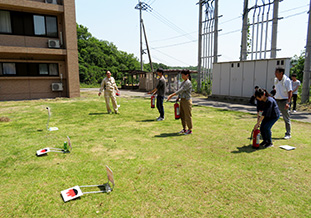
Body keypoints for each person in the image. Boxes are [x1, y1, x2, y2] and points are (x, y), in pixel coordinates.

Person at [167, 70, 193, 135]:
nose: (182, 77)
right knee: (182, 115)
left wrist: (171, 95)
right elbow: (181, 92)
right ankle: (184, 129)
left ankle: (189, 129)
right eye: (181, 75)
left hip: (187, 101)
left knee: (187, 115)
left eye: (183, 75)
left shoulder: (188, 82)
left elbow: (181, 90)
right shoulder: (183, 82)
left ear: (187, 75)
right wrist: (178, 97)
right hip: (182, 100)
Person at [274, 67, 292, 139]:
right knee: (271, 115)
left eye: (276, 72)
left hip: (284, 101)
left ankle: (288, 133)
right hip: (276, 100)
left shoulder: (287, 80)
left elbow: (290, 92)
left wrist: (288, 102)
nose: (275, 74)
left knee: (286, 118)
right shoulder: (276, 80)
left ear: (281, 73)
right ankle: (267, 131)